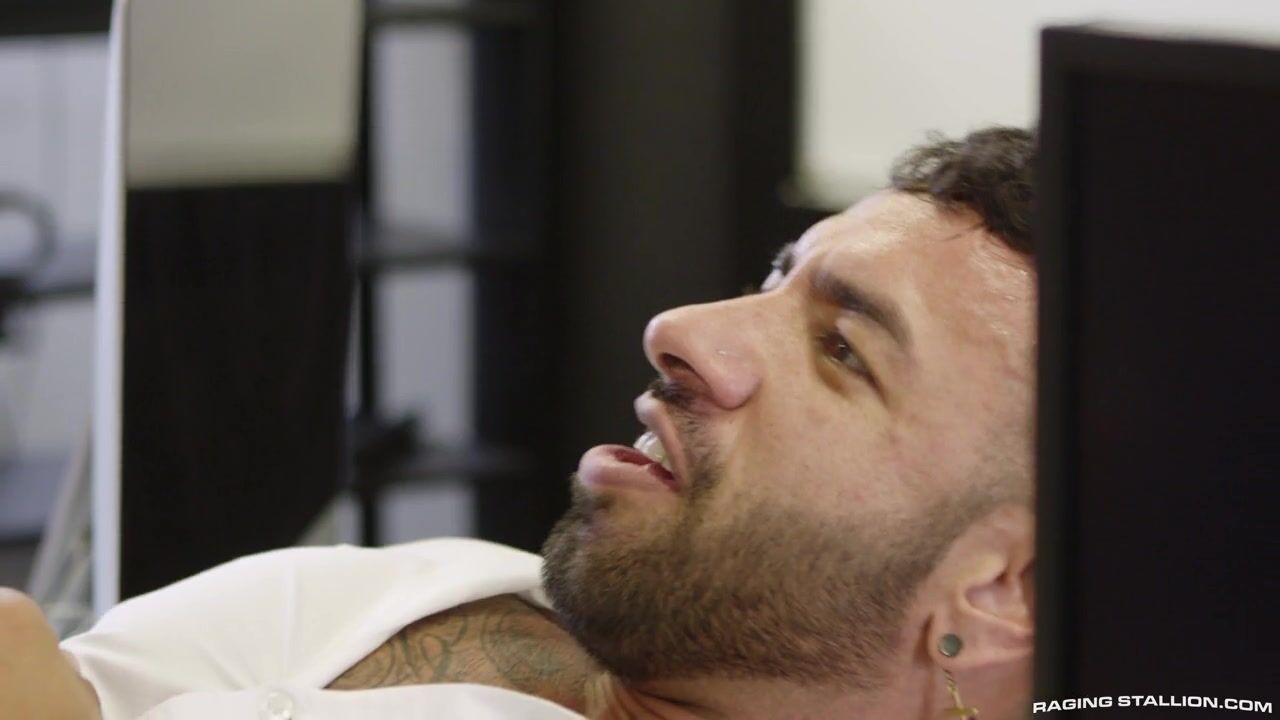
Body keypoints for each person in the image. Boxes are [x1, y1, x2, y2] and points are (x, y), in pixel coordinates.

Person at [0, 126, 1037, 720]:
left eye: (842, 349)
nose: (680, 330)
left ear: (998, 593)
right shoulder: (438, 589)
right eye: (773, 278)